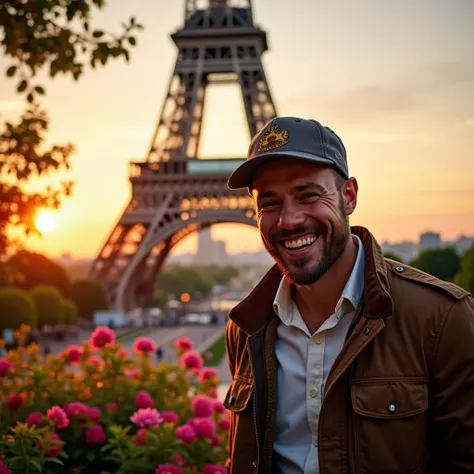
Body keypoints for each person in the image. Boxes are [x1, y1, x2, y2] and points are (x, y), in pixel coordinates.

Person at [223, 116, 474, 474]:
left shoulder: (442, 319)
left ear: (349, 196)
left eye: (308, 195)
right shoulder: (246, 330)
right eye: (270, 203)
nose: (289, 220)